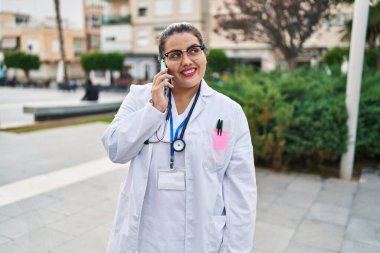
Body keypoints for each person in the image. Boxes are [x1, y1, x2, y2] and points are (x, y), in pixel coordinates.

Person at [102, 22, 257, 253]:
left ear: (204, 53)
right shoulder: (139, 98)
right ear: (163, 62)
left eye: (194, 50)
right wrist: (153, 110)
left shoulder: (228, 112)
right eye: (175, 54)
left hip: (200, 237)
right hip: (144, 236)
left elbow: (241, 193)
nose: (187, 61)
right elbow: (115, 149)